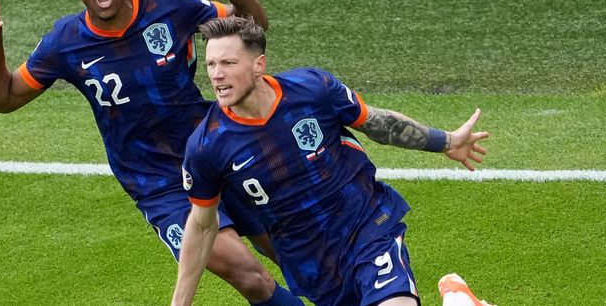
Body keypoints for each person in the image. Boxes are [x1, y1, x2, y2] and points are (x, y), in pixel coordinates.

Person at [0, 0, 303, 305]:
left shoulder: (168, 5)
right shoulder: (66, 42)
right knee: (249, 277)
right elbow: (4, 99)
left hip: (215, 153)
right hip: (157, 184)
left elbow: (254, 28)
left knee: (295, 255)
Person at [172, 16, 490, 305]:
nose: (216, 74)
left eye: (228, 63)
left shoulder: (311, 89)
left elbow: (376, 123)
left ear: (259, 65)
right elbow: (201, 226)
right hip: (312, 264)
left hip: (366, 225)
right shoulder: (207, 145)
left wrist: (445, 141)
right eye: (211, 64)